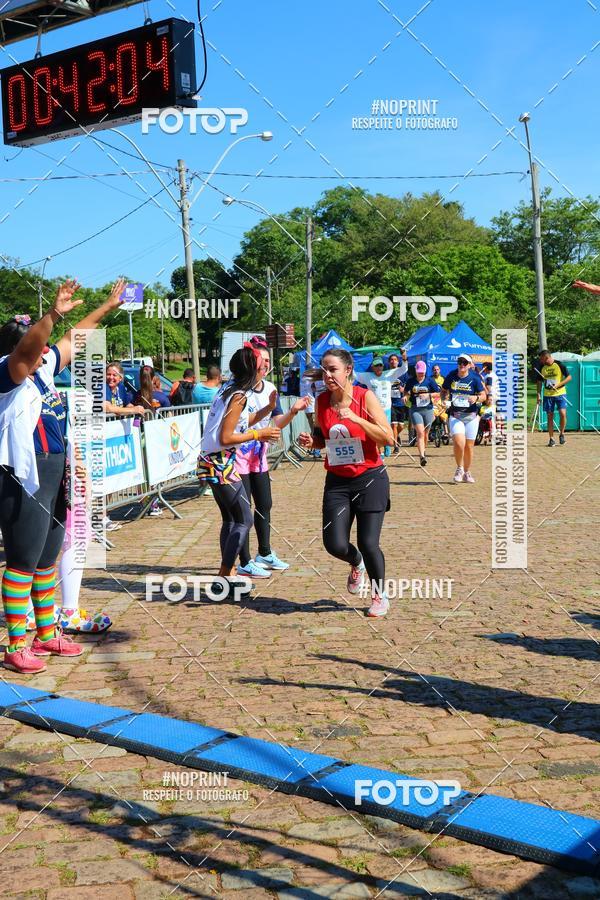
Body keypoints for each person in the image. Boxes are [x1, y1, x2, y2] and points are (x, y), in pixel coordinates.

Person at [0, 278, 125, 674]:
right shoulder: (8, 372)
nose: (42, 355)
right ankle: (16, 642)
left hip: (55, 472)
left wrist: (107, 306)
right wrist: (51, 314)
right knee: (22, 559)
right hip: (23, 476)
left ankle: (46, 632)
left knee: (47, 558)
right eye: (35, 350)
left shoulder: (42, 369)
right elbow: (30, 346)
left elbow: (73, 339)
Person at [298, 349, 394, 618]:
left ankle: (379, 595)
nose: (327, 375)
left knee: (368, 542)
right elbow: (323, 439)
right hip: (338, 481)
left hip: (370, 478)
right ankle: (356, 563)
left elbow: (388, 438)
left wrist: (358, 419)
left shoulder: (365, 397)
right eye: (325, 369)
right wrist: (311, 442)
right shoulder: (322, 401)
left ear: (348, 370)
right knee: (334, 543)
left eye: (333, 369)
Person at [197, 346, 280, 597]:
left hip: (214, 460)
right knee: (244, 519)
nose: (264, 368)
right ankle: (224, 579)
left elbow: (241, 422)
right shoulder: (238, 395)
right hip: (221, 461)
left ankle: (229, 575)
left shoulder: (231, 389)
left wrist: (267, 411)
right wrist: (260, 434)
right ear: (251, 369)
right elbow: (226, 436)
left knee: (231, 520)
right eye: (261, 365)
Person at [235, 338, 311, 578]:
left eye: (268, 360)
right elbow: (233, 426)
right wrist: (258, 432)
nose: (265, 364)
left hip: (259, 458)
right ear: (251, 361)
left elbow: (276, 422)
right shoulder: (237, 389)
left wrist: (293, 411)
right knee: (243, 512)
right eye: (261, 360)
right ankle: (244, 560)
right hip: (238, 457)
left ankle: (264, 553)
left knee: (264, 505)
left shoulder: (270, 389)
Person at [441, 354, 486, 483]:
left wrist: (476, 398)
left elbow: (484, 395)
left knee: (469, 447)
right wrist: (444, 400)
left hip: (471, 416)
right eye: (460, 362)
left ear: (470, 364)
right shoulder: (452, 375)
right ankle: (459, 468)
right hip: (456, 415)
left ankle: (467, 472)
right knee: (459, 443)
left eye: (465, 362)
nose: (462, 364)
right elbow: (444, 390)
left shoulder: (475, 377)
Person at [355, 351, 408, 457]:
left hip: (387, 408)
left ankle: (387, 445)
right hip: (374, 409)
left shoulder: (389, 374)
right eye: (376, 366)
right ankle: (381, 452)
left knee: (386, 429)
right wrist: (348, 361)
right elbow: (353, 375)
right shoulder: (367, 376)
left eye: (380, 365)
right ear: (373, 367)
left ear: (383, 366)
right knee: (377, 429)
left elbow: (403, 369)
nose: (378, 367)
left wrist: (404, 357)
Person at [403, 361, 441, 466]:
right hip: (415, 409)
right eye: (419, 372)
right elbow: (406, 392)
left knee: (425, 434)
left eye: (422, 372)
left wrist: (428, 395)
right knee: (420, 432)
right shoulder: (411, 381)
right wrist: (405, 397)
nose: (421, 374)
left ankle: (423, 450)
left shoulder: (430, 381)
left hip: (428, 410)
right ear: (416, 371)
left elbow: (438, 393)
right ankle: (422, 457)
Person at [535, 350, 571, 446]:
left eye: (541, 359)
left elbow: (569, 377)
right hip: (548, 395)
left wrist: (558, 385)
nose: (540, 361)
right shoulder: (541, 367)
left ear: (546, 357)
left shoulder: (559, 364)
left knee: (562, 414)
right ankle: (551, 438)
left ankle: (562, 434)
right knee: (550, 416)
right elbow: (539, 382)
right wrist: (538, 394)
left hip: (560, 393)